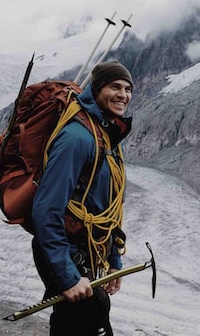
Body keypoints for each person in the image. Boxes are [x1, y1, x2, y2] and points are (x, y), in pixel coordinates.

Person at [31, 61, 133, 336]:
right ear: (97, 88)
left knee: (86, 319)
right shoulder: (77, 137)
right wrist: (66, 277)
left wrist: (114, 259)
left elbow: (104, 206)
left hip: (86, 250)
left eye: (127, 88)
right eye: (115, 86)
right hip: (66, 249)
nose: (123, 94)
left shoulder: (107, 135)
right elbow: (46, 209)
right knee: (89, 318)